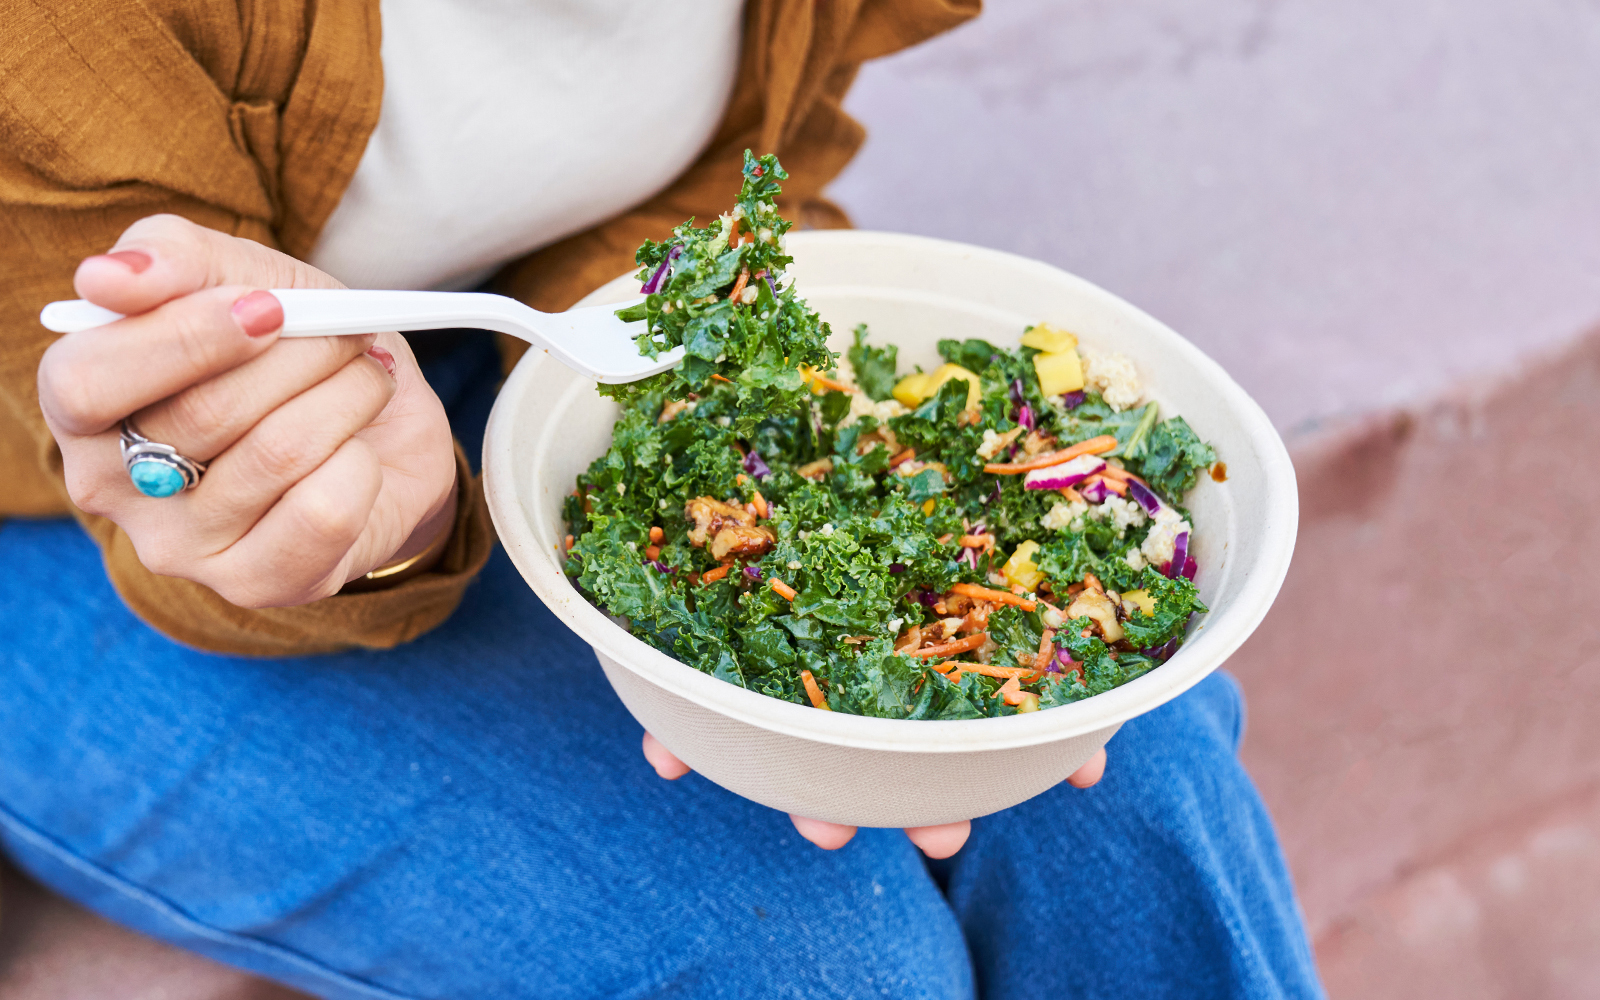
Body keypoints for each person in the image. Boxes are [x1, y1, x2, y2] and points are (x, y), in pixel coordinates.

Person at [0, 2, 1326, 996]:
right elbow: (137, 437)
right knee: (815, 966)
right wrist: (356, 505)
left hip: (495, 345)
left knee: (1132, 788)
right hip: (53, 516)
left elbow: (709, 172)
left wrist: (753, 502)